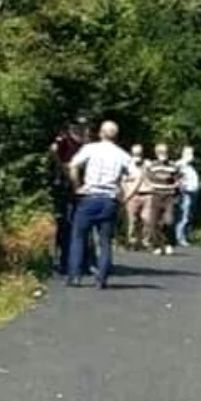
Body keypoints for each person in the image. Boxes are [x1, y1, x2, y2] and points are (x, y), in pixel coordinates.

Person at [67, 121, 133, 289]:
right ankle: (101, 279)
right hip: (109, 199)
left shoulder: (90, 149)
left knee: (78, 237)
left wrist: (77, 186)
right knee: (105, 242)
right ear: (115, 136)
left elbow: (73, 165)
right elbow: (138, 175)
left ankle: (75, 276)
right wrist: (126, 197)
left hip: (89, 197)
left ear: (101, 133)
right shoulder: (122, 154)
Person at [50, 115, 91, 274]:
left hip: (83, 184)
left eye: (84, 127)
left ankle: (84, 261)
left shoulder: (87, 142)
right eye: (79, 127)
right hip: (65, 185)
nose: (82, 130)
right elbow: (53, 152)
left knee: (84, 224)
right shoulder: (64, 140)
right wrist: (63, 167)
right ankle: (63, 260)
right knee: (65, 223)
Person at [144, 144, 180, 256]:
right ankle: (157, 245)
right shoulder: (152, 165)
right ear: (156, 153)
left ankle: (168, 243)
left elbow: (179, 179)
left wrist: (175, 186)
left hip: (169, 196)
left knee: (168, 221)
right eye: (160, 152)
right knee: (153, 222)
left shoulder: (173, 166)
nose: (162, 154)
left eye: (164, 152)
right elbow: (146, 177)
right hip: (156, 195)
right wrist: (150, 185)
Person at [124, 144, 152, 249]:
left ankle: (146, 242)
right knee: (132, 221)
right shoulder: (127, 165)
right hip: (133, 195)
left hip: (147, 194)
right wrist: (126, 193)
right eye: (135, 153)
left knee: (147, 219)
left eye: (139, 153)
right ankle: (132, 242)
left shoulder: (148, 164)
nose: (138, 155)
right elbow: (123, 180)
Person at [175, 146, 200, 247]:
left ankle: (184, 236)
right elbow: (176, 176)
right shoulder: (181, 164)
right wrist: (181, 185)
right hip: (185, 193)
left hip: (192, 193)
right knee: (183, 216)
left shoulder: (190, 167)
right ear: (184, 154)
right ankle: (179, 237)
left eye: (192, 153)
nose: (192, 156)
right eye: (190, 153)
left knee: (188, 216)